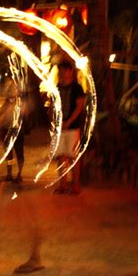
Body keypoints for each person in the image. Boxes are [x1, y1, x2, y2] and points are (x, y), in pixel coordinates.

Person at [54, 61, 86, 195]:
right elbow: (54, 105)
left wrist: (69, 121)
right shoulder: (57, 87)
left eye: (64, 70)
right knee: (61, 156)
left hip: (72, 128)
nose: (62, 73)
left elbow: (80, 107)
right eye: (60, 70)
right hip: (60, 127)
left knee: (73, 156)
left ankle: (75, 185)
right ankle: (62, 184)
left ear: (70, 71)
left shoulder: (77, 88)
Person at [0, 87, 28, 184]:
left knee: (19, 152)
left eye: (14, 90)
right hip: (7, 130)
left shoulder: (20, 102)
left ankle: (19, 174)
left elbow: (24, 114)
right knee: (8, 153)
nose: (11, 92)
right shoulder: (7, 103)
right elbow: (0, 114)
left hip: (17, 130)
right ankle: (9, 174)